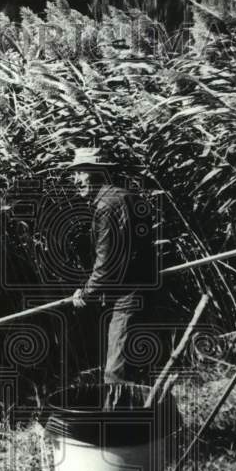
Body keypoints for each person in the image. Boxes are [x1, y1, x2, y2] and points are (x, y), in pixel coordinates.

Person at [66, 147, 157, 384]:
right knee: (137, 367)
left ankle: (117, 420)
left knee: (114, 374)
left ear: (98, 173)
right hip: (143, 289)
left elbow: (107, 263)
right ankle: (146, 417)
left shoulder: (107, 206)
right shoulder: (125, 196)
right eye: (73, 174)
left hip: (128, 296)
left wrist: (86, 293)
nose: (75, 180)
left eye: (81, 172)